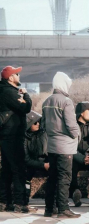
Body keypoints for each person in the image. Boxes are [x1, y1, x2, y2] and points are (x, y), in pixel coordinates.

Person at [42, 72, 81, 218]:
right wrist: (76, 134)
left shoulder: (47, 101)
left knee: (52, 177)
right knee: (64, 178)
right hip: (65, 147)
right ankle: (63, 208)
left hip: (52, 145)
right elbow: (71, 125)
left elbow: (44, 125)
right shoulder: (66, 101)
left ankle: (49, 208)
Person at [0, 66, 32, 213]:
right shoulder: (9, 92)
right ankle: (20, 204)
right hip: (13, 135)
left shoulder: (5, 90)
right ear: (11, 78)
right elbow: (26, 108)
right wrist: (26, 95)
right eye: (17, 74)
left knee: (7, 170)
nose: (19, 76)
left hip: (7, 135)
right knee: (18, 169)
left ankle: (4, 202)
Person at [24, 111, 50, 213]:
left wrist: (48, 163)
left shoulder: (44, 134)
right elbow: (26, 159)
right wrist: (43, 165)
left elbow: (49, 152)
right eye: (35, 122)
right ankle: (24, 203)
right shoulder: (24, 138)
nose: (38, 124)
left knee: (56, 173)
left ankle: (52, 204)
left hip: (45, 162)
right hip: (32, 164)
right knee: (25, 175)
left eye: (39, 122)